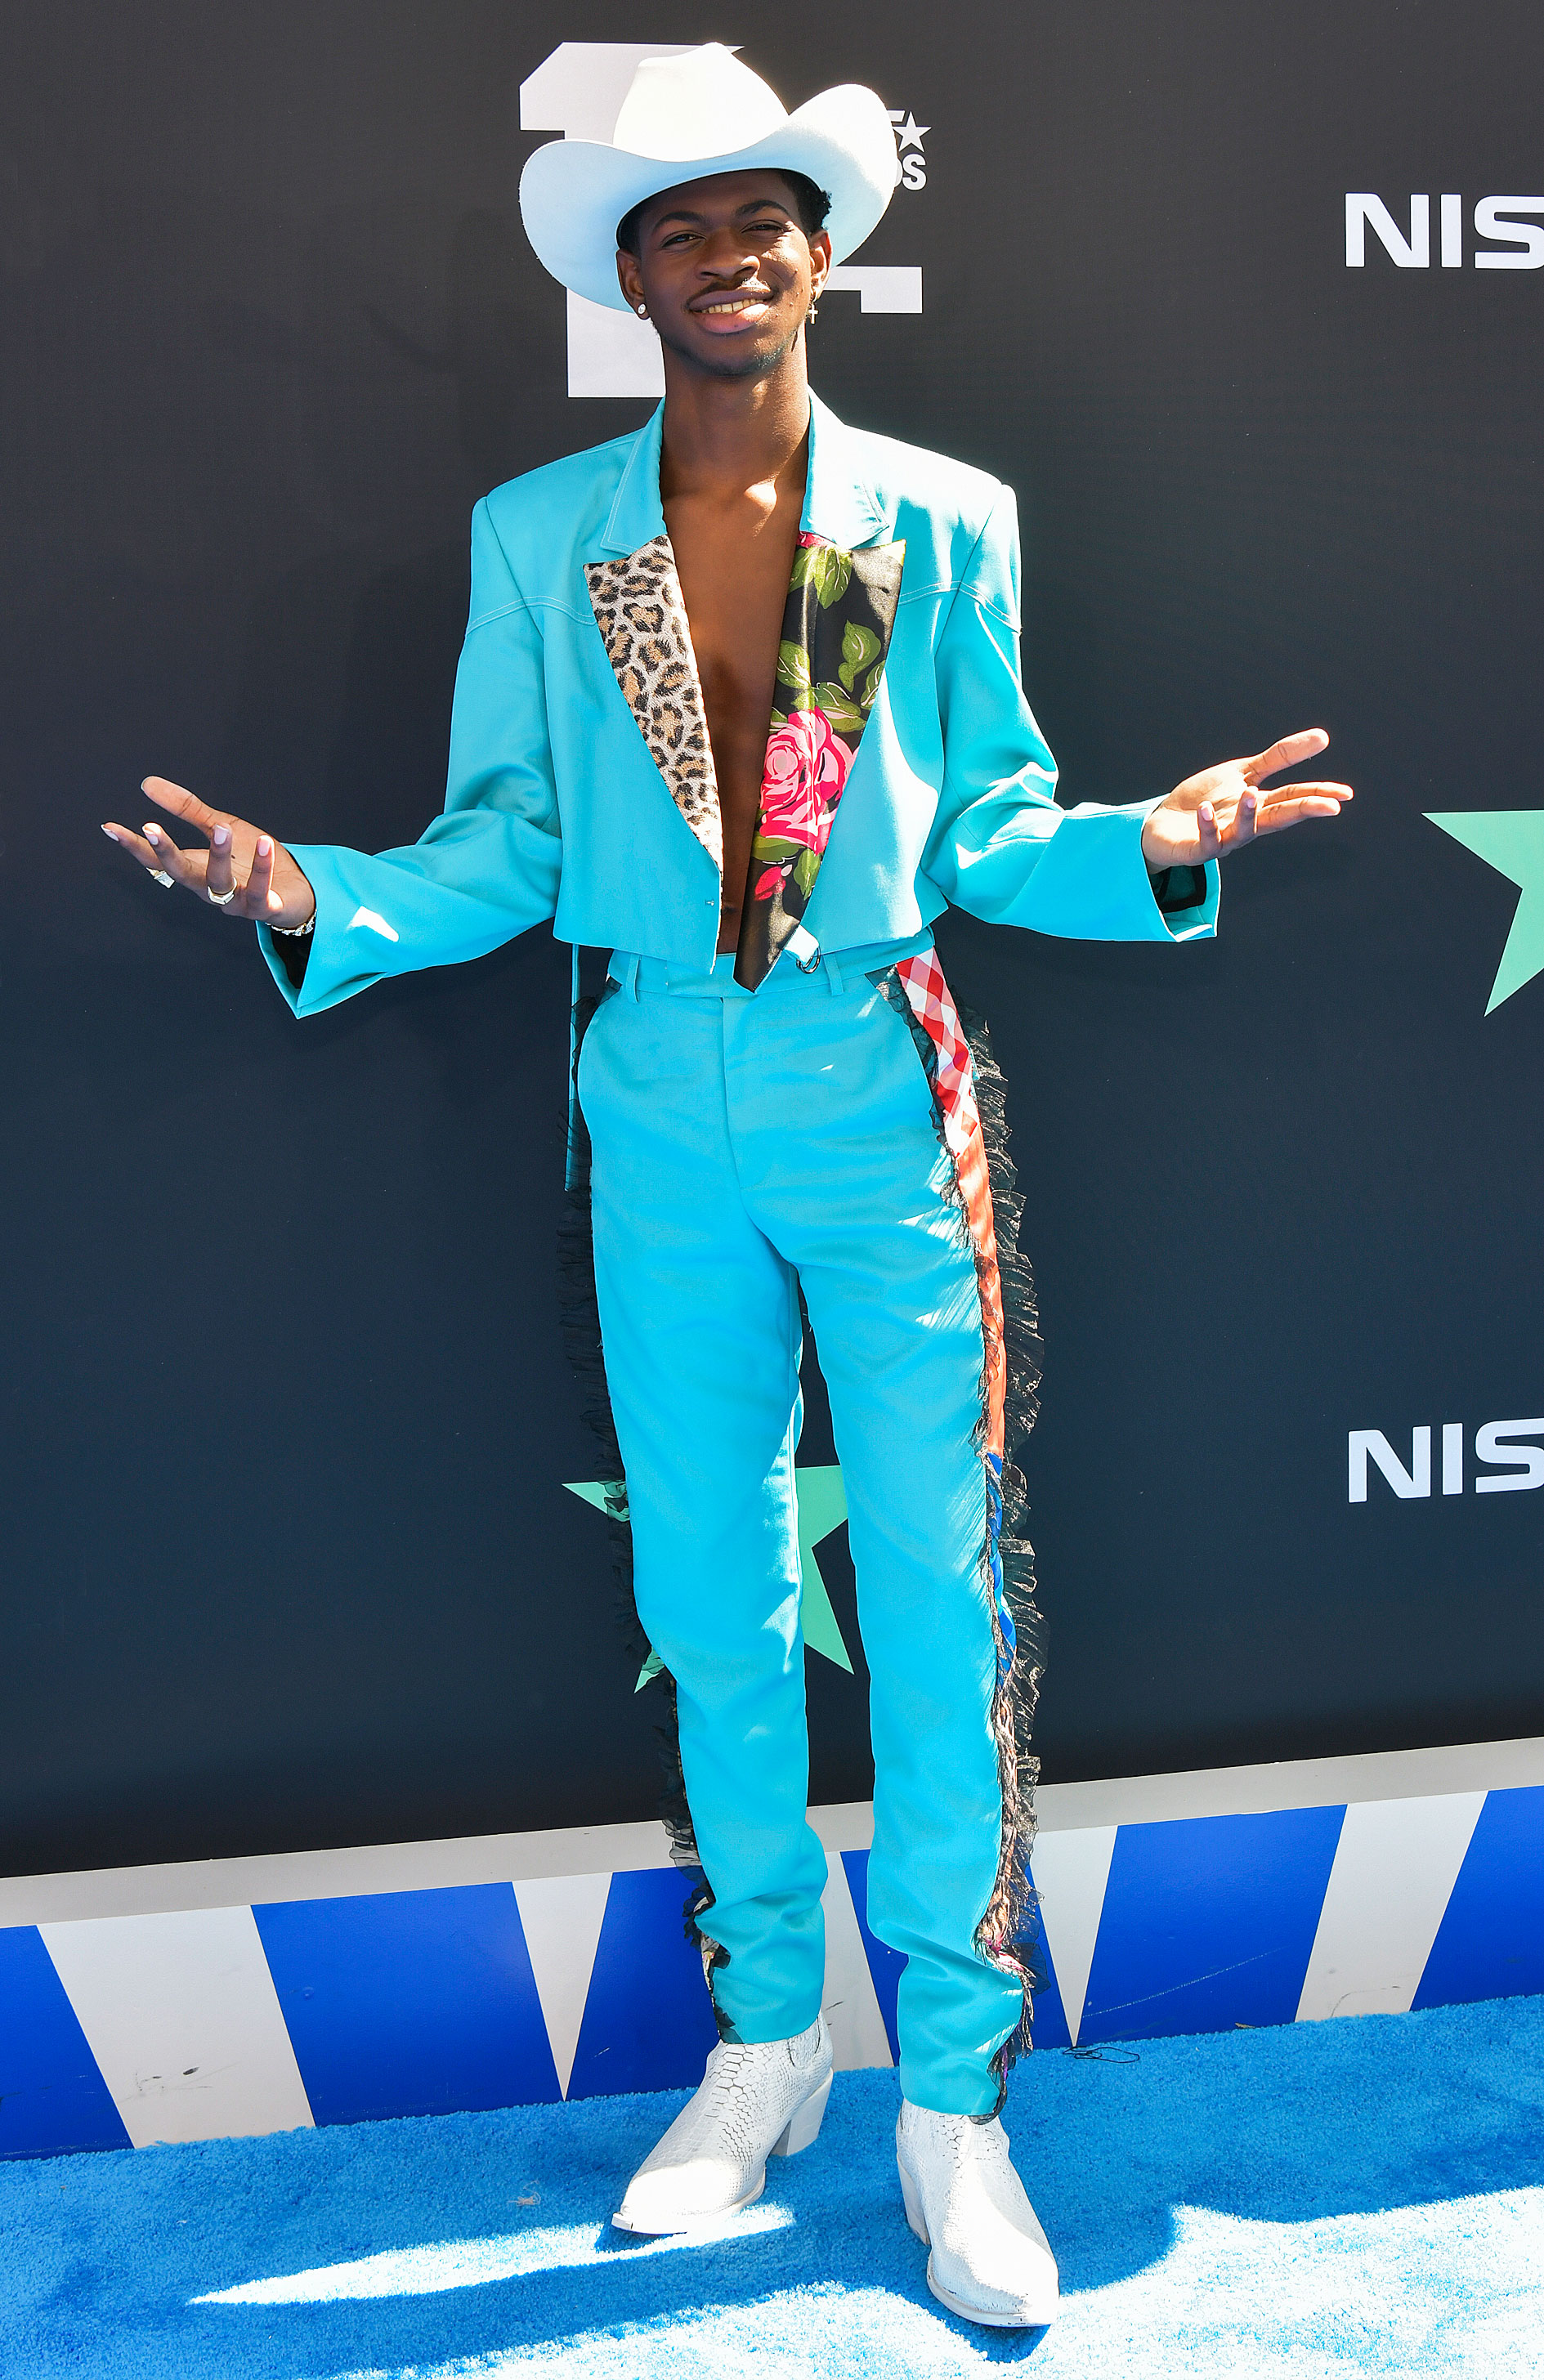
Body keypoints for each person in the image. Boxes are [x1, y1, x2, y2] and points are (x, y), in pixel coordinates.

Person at [102, 45, 1351, 2329]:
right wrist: (313, 892)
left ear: (819, 252)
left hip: (878, 1075)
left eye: (760, 218)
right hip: (652, 1090)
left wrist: (1152, 843)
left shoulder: (940, 517)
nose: (727, 255)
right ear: (631, 278)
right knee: (710, 1590)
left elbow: (990, 833)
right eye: (677, 228)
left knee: (941, 1598)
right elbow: (509, 845)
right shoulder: (536, 537)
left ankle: (954, 2102)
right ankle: (768, 2041)